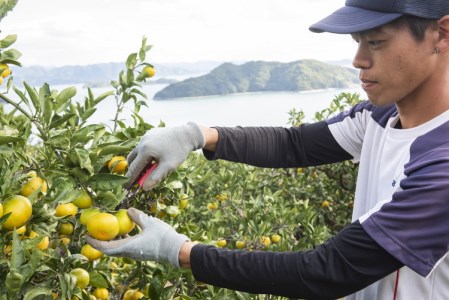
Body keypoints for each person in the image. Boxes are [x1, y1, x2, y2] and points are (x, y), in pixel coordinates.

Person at [87, 1, 449, 299]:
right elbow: (294, 144)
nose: (358, 59)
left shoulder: (442, 164)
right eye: (357, 41)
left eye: (376, 42)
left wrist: (180, 252)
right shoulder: (380, 116)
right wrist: (198, 135)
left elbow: (327, 270)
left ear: (441, 34)